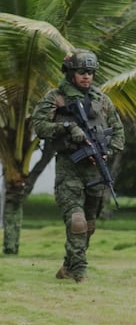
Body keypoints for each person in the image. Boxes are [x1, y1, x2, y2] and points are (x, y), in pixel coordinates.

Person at [31, 49, 125, 283]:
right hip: (69, 167)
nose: (87, 77)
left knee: (89, 224)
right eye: (82, 72)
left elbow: (118, 132)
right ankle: (80, 271)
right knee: (77, 220)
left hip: (95, 168)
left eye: (91, 73)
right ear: (71, 73)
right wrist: (66, 128)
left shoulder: (101, 99)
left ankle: (68, 265)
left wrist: (107, 152)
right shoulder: (56, 97)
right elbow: (39, 125)